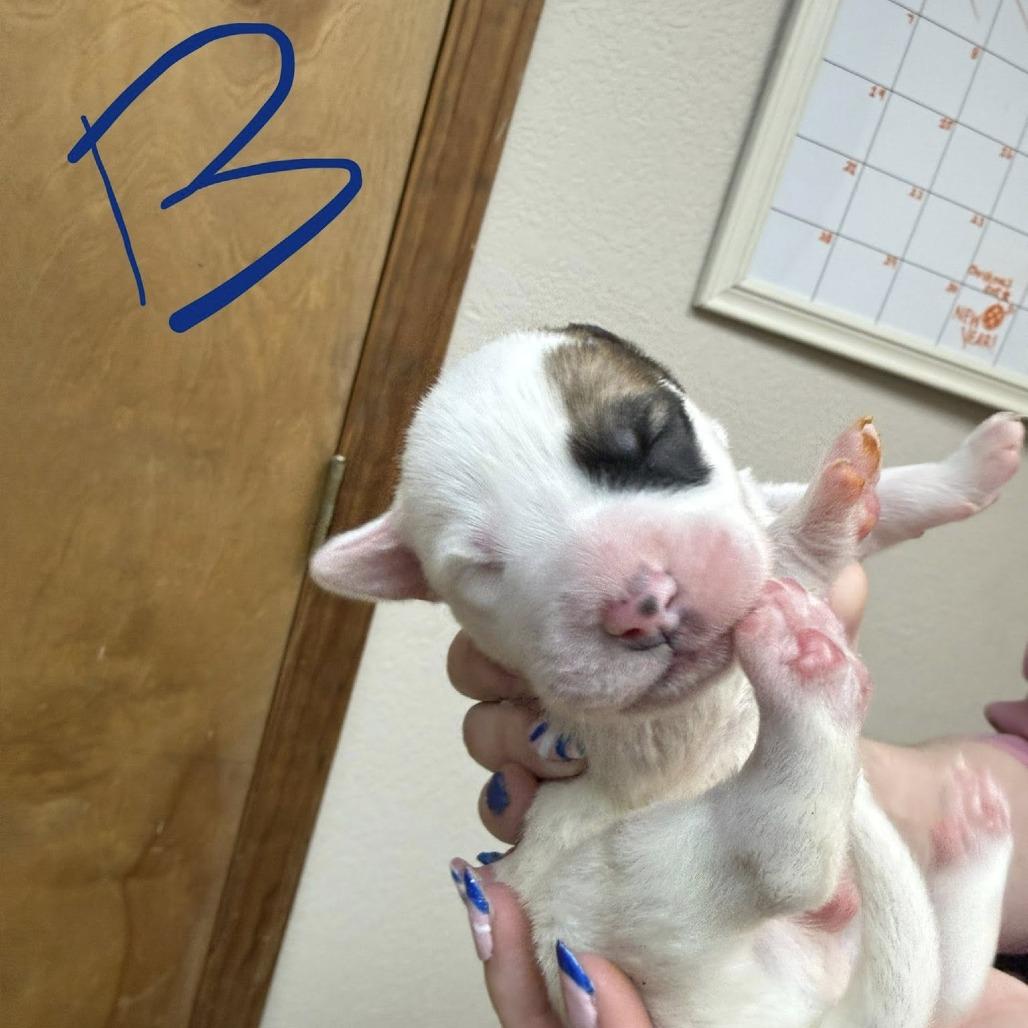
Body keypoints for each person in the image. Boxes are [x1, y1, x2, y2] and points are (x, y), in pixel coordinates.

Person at [448, 564, 1028, 1027]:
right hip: (798, 974)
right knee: (940, 1002)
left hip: (727, 971)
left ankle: (801, 791)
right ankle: (912, 842)